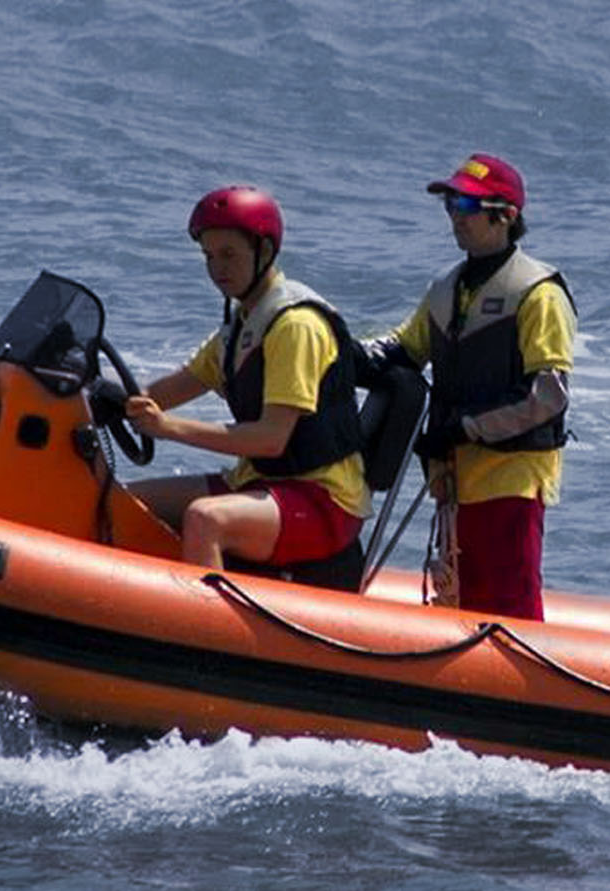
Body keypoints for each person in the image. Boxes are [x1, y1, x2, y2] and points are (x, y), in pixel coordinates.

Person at [360, 153, 574, 620]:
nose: (456, 215)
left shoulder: (539, 293)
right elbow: (404, 348)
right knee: (462, 600)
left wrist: (464, 428)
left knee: (509, 606)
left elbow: (548, 397)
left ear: (507, 215)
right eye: (451, 204)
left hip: (510, 478)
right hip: (455, 480)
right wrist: (344, 355)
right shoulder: (446, 289)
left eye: (467, 204)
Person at [125, 186, 372, 574]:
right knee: (124, 501)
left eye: (229, 255)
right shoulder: (239, 329)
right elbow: (163, 393)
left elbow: (269, 440)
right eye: (209, 257)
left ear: (265, 252)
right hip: (258, 482)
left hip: (323, 499)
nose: (217, 269)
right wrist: (92, 397)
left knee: (206, 519)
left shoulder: (296, 326)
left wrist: (167, 428)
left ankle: (198, 631)